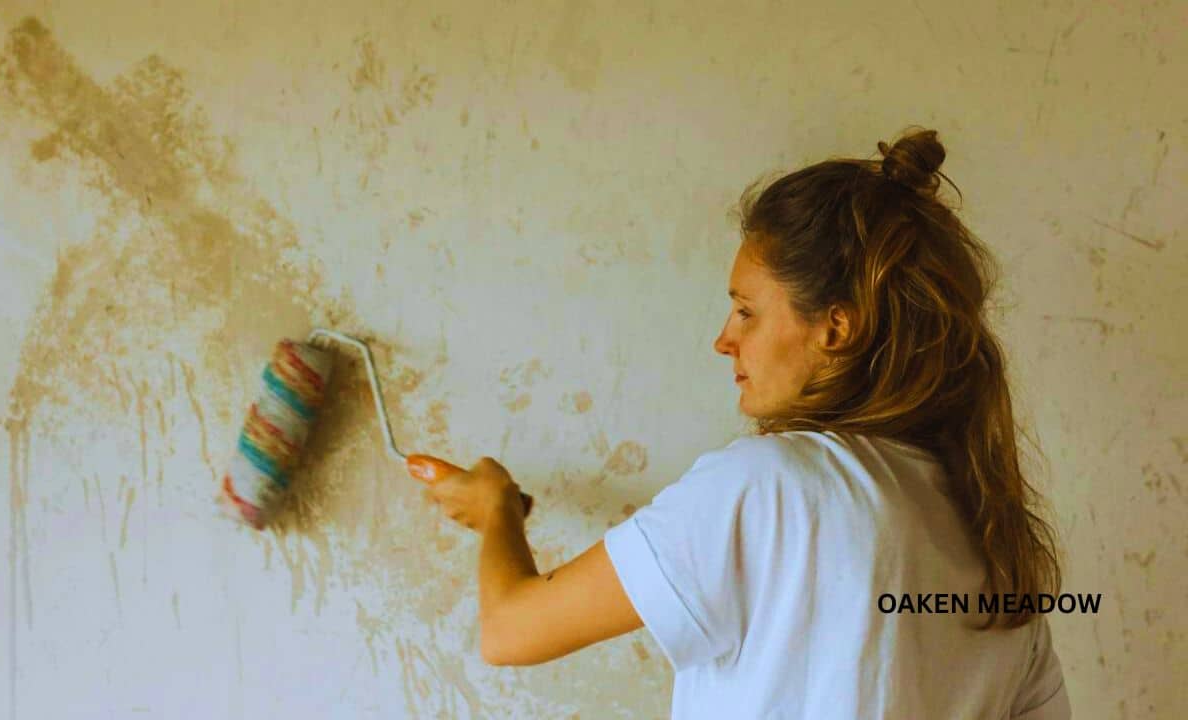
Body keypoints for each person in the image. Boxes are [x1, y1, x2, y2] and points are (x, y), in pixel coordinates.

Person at [406, 127, 1070, 719]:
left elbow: (511, 630)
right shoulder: (992, 533)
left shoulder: (774, 487)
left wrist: (496, 513)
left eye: (747, 311)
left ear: (836, 325)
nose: (724, 340)